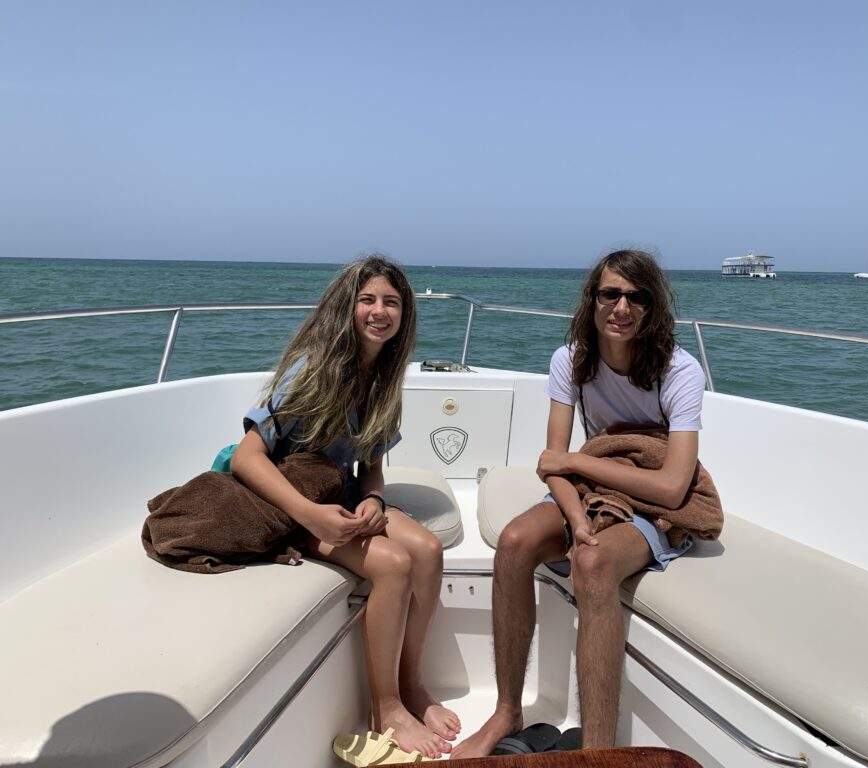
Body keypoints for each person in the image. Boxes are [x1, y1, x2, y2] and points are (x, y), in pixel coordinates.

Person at [453, 249, 706, 757]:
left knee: (590, 563)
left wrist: (581, 466)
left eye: (637, 297)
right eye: (610, 293)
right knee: (516, 541)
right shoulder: (570, 360)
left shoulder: (679, 370)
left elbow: (673, 486)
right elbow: (552, 464)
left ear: (653, 307)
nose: (622, 307)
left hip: (651, 500)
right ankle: (507, 711)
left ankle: (596, 751)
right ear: (592, 300)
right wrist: (574, 514)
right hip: (589, 491)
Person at [230, 255, 460, 758]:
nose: (380, 311)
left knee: (426, 548)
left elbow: (371, 466)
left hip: (338, 496)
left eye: (392, 303)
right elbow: (247, 458)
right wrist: (310, 516)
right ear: (346, 307)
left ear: (405, 314)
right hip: (287, 504)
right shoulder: (311, 370)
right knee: (394, 565)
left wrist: (375, 498)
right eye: (368, 300)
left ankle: (412, 682)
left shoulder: (383, 379)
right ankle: (387, 706)